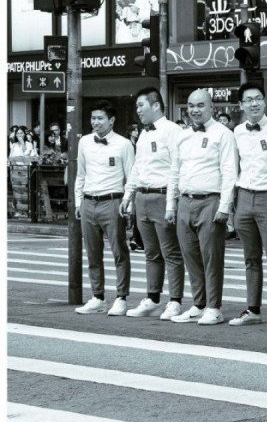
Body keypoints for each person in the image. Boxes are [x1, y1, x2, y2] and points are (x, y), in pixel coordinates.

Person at [168, 89, 237, 326]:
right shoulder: (183, 136)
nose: (195, 110)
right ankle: (198, 304)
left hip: (211, 200)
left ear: (211, 108)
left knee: (211, 257)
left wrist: (225, 206)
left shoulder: (223, 134)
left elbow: (230, 172)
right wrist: (171, 204)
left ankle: (214, 307)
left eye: (200, 105)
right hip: (185, 201)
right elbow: (175, 171)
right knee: (190, 257)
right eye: (191, 105)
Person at [228, 83, 267, 327]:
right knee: (250, 258)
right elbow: (234, 167)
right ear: (241, 105)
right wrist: (233, 204)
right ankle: (252, 309)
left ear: (265, 102)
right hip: (244, 196)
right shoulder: (237, 132)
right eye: (248, 100)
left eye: (258, 99)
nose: (253, 103)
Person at [121, 87, 185, 320]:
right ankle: (153, 297)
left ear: (156, 105)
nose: (138, 110)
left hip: (162, 195)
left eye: (141, 105)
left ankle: (175, 300)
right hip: (142, 196)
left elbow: (176, 168)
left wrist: (171, 203)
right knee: (150, 252)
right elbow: (138, 168)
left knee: (171, 251)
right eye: (137, 106)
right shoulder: (144, 134)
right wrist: (128, 196)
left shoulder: (173, 131)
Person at [73, 100, 136, 316]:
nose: (95, 123)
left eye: (100, 118)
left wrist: (127, 202)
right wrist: (78, 202)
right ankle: (97, 296)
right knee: (92, 253)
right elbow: (80, 174)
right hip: (89, 201)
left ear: (112, 120)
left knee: (119, 251)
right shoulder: (85, 143)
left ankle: (121, 297)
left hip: (113, 201)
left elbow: (131, 176)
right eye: (93, 119)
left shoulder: (124, 144)